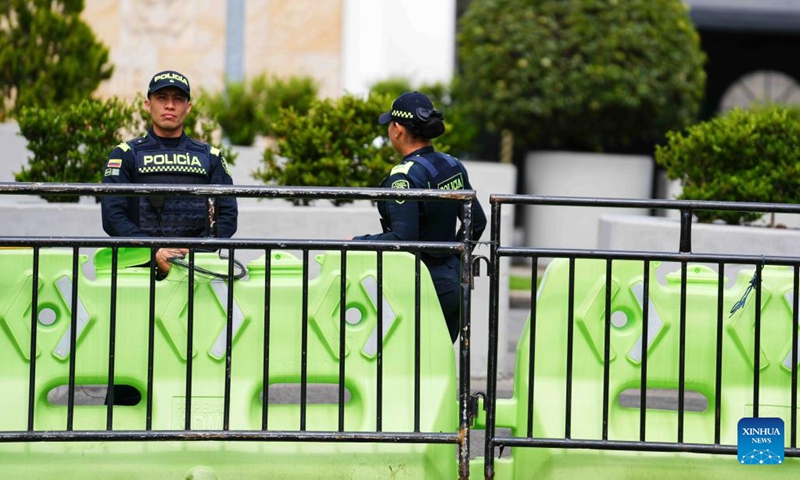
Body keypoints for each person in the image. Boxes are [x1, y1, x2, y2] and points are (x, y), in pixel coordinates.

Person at [350, 91, 487, 343]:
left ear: (398, 129)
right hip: (453, 283)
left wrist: (357, 242)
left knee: (409, 368)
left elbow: (404, 237)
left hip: (422, 285)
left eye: (390, 124)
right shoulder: (452, 164)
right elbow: (477, 221)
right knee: (437, 366)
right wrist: (455, 258)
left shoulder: (404, 177)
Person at [101, 70, 238, 276]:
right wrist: (153, 251)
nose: (170, 105)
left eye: (178, 99)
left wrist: (192, 252)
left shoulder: (211, 157)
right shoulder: (125, 155)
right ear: (148, 104)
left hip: (197, 271)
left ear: (188, 107)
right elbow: (113, 216)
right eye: (162, 98)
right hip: (138, 270)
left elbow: (226, 216)